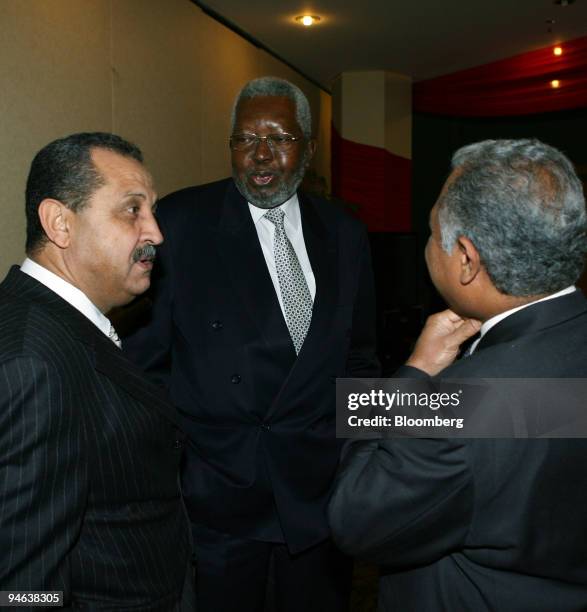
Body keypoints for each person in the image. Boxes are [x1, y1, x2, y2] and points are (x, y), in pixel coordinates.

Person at [124, 76, 379, 611]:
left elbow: (359, 356)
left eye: (280, 139)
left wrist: (354, 458)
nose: (260, 155)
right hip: (220, 497)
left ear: (307, 148)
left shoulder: (345, 232)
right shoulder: (181, 223)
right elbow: (144, 366)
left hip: (320, 492)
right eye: (245, 139)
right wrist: (184, 465)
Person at [328, 139, 587, 611]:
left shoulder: (464, 406)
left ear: (466, 259)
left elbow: (355, 518)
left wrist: (415, 373)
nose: (428, 245)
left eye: (432, 232)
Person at [0, 132, 194, 610]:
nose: (155, 232)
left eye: (151, 210)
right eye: (132, 209)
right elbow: (24, 584)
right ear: (59, 224)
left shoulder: (52, 320)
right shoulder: (36, 363)